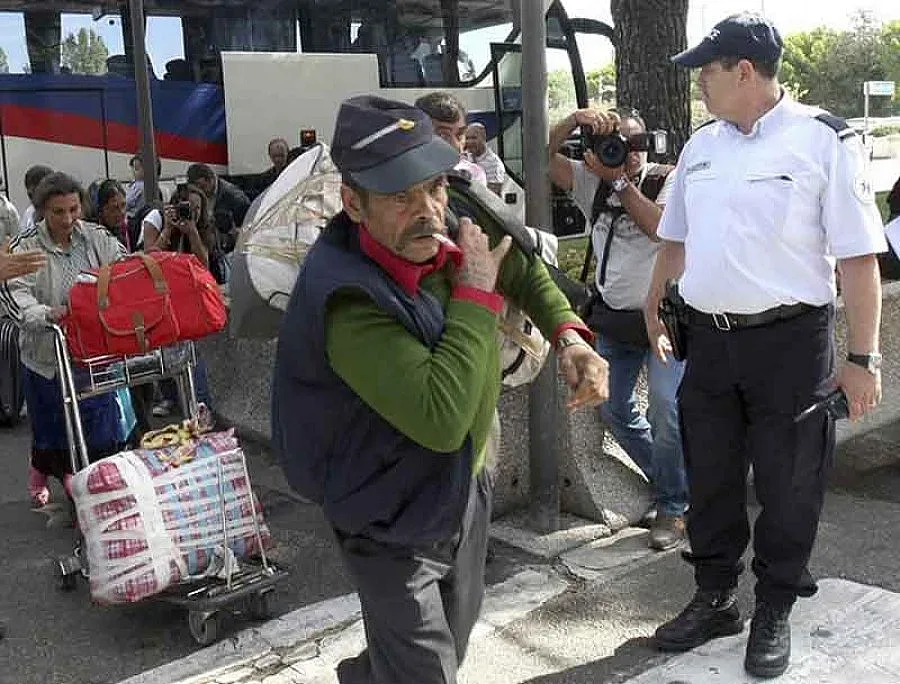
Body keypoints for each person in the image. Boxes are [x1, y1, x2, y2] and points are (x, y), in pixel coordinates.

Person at [272, 95, 609, 684]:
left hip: (461, 484)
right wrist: (476, 294)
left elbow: (518, 264)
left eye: (433, 188)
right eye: (399, 197)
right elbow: (441, 417)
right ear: (353, 203)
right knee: (428, 670)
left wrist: (568, 336)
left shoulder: (446, 221)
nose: (427, 210)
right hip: (385, 512)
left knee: (452, 635)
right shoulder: (347, 298)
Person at [644, 14, 886, 679]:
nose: (699, 85)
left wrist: (862, 359)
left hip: (790, 345)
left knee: (789, 483)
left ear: (744, 71)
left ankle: (775, 604)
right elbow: (675, 240)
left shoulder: (822, 140)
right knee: (711, 476)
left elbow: (858, 259)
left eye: (707, 72)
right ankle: (715, 597)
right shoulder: (702, 145)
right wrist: (656, 310)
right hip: (709, 342)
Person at [549, 106, 687, 550]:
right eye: (615, 143)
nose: (626, 152)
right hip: (615, 319)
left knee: (665, 409)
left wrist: (620, 181)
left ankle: (673, 504)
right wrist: (573, 121)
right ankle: (676, 485)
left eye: (634, 143)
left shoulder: (666, 178)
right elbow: (537, 156)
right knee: (611, 407)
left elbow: (660, 229)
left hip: (664, 319)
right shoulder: (590, 181)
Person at [0, 172, 128, 509]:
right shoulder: (25, 246)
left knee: (103, 430)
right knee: (53, 433)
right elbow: (14, 295)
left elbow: (123, 268)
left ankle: (97, 493)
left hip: (94, 353)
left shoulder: (96, 237)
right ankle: (46, 471)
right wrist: (46, 314)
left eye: (74, 209)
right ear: (43, 210)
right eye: (58, 212)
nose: (68, 219)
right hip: (47, 356)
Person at [142, 183, 217, 417]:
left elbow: (203, 264)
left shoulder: (202, 227)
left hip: (188, 296)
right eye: (187, 207)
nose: (191, 212)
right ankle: (170, 398)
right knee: (162, 346)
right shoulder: (157, 221)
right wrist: (168, 230)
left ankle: (201, 405)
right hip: (160, 294)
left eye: (197, 209)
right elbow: (148, 259)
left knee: (192, 351)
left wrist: (192, 232)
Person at [414, 91, 488, 186]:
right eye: (443, 136)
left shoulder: (474, 175)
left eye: (460, 135)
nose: (456, 145)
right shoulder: (404, 176)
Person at [186, 163, 251, 252]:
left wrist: (225, 240)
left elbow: (246, 229)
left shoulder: (235, 198)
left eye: (201, 186)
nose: (200, 191)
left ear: (210, 180)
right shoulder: (197, 194)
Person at [464, 122, 505, 195]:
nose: (469, 142)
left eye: (474, 138)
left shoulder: (494, 164)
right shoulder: (463, 157)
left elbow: (492, 195)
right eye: (467, 138)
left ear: (484, 138)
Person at [88, 179, 129, 248]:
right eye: (114, 208)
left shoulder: (128, 228)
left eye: (123, 205)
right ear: (101, 211)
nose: (122, 212)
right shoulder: (93, 237)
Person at [19, 165, 53, 234]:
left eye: (36, 187)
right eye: (28, 187)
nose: (29, 191)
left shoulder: (60, 213)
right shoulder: (29, 213)